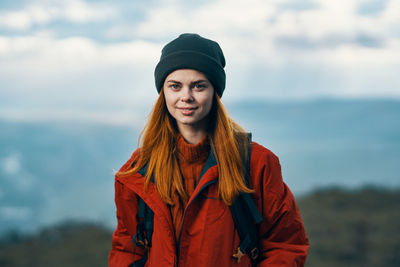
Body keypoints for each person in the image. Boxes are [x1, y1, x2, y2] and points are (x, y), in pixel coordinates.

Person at [109, 33, 309, 267]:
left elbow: (286, 244)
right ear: (163, 93)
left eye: (198, 86)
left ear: (215, 91)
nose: (186, 96)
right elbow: (127, 248)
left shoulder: (255, 163)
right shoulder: (140, 169)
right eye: (175, 86)